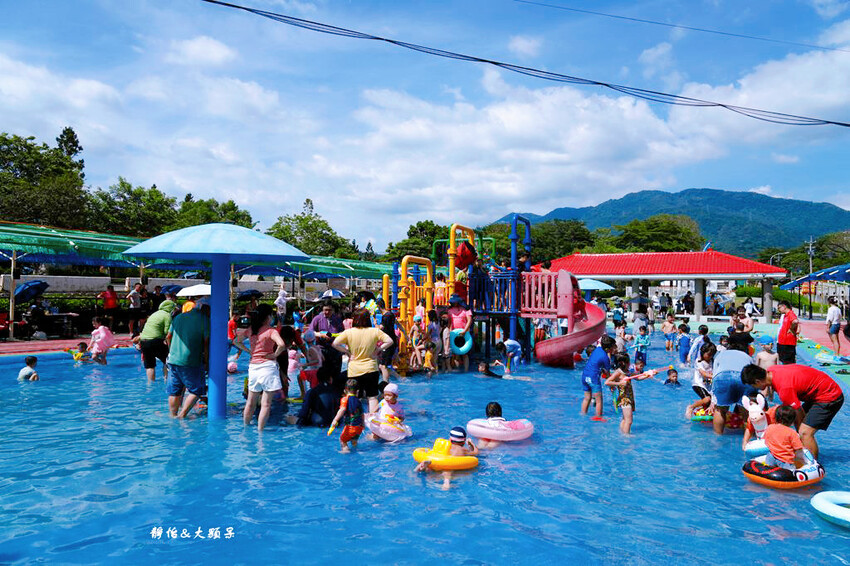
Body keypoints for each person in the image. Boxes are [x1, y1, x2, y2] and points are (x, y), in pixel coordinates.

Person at [740, 363, 844, 459]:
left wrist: (800, 438)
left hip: (830, 396)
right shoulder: (772, 370)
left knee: (804, 432)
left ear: (758, 381)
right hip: (820, 389)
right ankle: (806, 450)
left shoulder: (784, 389)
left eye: (753, 385)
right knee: (794, 424)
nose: (755, 388)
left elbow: (799, 415)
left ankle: (813, 464)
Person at [332, 309, 393, 413]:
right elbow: (390, 341)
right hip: (371, 368)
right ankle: (373, 420)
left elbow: (335, 344)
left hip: (354, 370)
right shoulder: (375, 331)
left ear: (354, 319)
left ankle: (355, 421)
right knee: (372, 397)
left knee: (354, 397)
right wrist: (378, 350)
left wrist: (347, 352)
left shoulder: (349, 332)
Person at [239, 304, 287, 430]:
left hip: (253, 367)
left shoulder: (251, 329)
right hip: (268, 367)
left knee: (250, 402)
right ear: (268, 316)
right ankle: (260, 432)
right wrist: (274, 355)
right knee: (266, 404)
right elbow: (281, 344)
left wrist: (250, 351)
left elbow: (236, 341)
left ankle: (246, 428)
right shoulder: (271, 331)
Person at [165, 302, 210, 419]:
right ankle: (182, 415)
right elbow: (206, 342)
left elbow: (168, 337)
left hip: (173, 359)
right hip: (190, 360)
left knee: (175, 390)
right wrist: (207, 361)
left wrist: (171, 351)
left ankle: (173, 416)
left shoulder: (178, 317)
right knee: (197, 389)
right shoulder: (204, 320)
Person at [710, 340, 756, 435]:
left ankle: (717, 437)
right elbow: (753, 376)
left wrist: (713, 400)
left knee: (720, 410)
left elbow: (714, 376)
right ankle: (749, 438)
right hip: (743, 378)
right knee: (746, 411)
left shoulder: (720, 355)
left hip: (723, 377)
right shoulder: (748, 357)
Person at [414, 426, 479, 490]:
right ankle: (446, 482)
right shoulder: (462, 449)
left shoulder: (445, 446)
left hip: (436, 460)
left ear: (450, 439)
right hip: (449, 464)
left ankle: (423, 466)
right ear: (464, 441)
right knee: (448, 469)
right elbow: (475, 452)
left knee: (432, 469)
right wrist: (471, 443)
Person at [605, 352, 654, 434]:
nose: (630, 364)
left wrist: (648, 375)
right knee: (629, 421)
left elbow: (638, 377)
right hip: (624, 399)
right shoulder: (618, 372)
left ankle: (622, 434)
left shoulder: (627, 371)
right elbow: (607, 382)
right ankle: (626, 437)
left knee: (625, 419)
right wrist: (619, 383)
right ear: (623, 363)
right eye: (628, 362)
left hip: (630, 397)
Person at [761, 404, 809, 471]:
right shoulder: (792, 433)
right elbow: (798, 449)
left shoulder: (769, 428)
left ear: (776, 417)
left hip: (770, 457)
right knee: (792, 472)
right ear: (792, 421)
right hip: (785, 461)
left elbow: (765, 441)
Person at [136, 299, 174, 382]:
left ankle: (150, 384)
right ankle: (166, 380)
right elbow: (167, 332)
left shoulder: (154, 314)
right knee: (167, 360)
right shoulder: (167, 315)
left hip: (144, 341)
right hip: (155, 341)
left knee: (150, 365)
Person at [581, 335, 616, 419]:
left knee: (587, 398)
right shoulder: (605, 357)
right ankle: (598, 417)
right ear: (608, 349)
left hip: (585, 376)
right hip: (593, 379)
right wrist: (611, 385)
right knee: (599, 400)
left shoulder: (597, 349)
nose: (615, 348)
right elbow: (607, 374)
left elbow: (595, 363)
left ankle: (583, 414)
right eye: (614, 347)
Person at [330, 378, 364, 453]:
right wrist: (363, 424)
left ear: (345, 390)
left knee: (342, 440)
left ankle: (346, 452)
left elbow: (342, 410)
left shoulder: (345, 399)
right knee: (354, 441)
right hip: (359, 427)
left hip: (350, 427)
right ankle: (356, 450)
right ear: (357, 391)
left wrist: (335, 420)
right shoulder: (359, 401)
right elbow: (362, 414)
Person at [686, 343, 715, 417]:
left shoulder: (712, 361)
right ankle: (691, 407)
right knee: (707, 399)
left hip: (708, 385)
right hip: (698, 384)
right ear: (703, 352)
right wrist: (715, 376)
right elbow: (703, 373)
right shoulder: (699, 361)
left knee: (711, 402)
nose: (710, 356)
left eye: (712, 354)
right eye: (708, 354)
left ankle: (703, 410)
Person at [446, 294, 473, 372]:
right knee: (456, 354)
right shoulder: (450, 310)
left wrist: (465, 331)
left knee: (465, 353)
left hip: (464, 334)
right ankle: (458, 370)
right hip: (454, 334)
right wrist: (449, 332)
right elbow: (450, 323)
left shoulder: (466, 309)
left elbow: (469, 320)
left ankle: (466, 371)